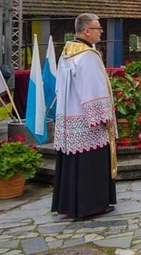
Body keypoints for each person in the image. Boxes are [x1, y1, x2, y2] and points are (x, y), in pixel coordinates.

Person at [51, 13, 117, 219]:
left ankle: (70, 203)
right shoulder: (88, 56)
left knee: (73, 162)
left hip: (70, 116)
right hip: (88, 121)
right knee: (90, 164)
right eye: (98, 28)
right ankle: (91, 204)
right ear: (87, 31)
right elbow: (92, 88)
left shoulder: (67, 53)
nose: (101, 32)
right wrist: (103, 116)